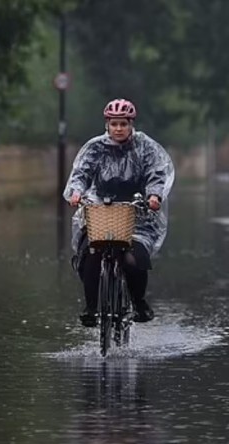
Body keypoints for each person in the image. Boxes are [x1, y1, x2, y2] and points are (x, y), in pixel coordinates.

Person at [63, 98, 175, 327]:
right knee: (91, 252)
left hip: (138, 212)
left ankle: (139, 302)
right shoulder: (96, 147)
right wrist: (76, 192)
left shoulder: (144, 146)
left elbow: (156, 171)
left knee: (133, 259)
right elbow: (81, 172)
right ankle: (91, 307)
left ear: (131, 124)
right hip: (100, 210)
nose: (118, 129)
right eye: (114, 124)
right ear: (107, 124)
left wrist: (154, 195)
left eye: (123, 124)